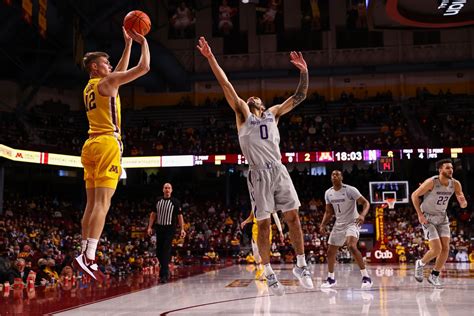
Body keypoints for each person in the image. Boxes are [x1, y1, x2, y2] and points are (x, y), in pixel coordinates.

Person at [197, 36, 313, 296]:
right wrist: (210, 58)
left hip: (279, 170)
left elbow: (300, 95)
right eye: (249, 98)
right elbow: (225, 84)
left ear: (261, 104)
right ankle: (269, 272)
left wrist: (305, 72)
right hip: (259, 174)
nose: (251, 98)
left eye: (256, 98)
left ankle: (302, 265)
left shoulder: (274, 113)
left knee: (293, 217)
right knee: (263, 225)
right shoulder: (242, 114)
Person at [75, 26, 150, 280]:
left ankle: (83, 251)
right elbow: (144, 68)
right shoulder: (107, 82)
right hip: (107, 143)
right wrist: (143, 42)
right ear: (95, 67)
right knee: (102, 204)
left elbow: (116, 73)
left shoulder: (90, 86)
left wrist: (127, 45)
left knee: (91, 204)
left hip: (90, 144)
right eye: (105, 63)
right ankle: (90, 258)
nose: (109, 65)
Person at [412, 159, 467, 287]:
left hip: (442, 217)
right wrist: (419, 215)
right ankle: (420, 263)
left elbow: (461, 198)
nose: (451, 170)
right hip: (428, 217)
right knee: (437, 249)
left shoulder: (455, 184)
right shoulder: (431, 182)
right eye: (447, 168)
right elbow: (414, 195)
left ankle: (434, 275)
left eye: (451, 168)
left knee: (446, 248)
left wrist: (463, 203)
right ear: (440, 169)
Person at [319, 170, 372, 289]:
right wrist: (323, 225)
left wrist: (362, 215)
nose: (334, 176)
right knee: (330, 252)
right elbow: (328, 212)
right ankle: (331, 279)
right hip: (339, 224)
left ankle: (366, 277)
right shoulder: (328, 193)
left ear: (341, 177)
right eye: (332, 174)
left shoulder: (350, 190)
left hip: (353, 222)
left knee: (352, 246)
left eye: (337, 174)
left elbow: (366, 203)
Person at [147, 183, 186, 283]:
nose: (167, 189)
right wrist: (149, 226)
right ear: (163, 189)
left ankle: (164, 274)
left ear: (171, 190)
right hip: (159, 227)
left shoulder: (175, 202)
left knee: (165, 249)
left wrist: (182, 229)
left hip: (170, 228)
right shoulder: (158, 200)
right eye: (165, 188)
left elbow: (180, 217)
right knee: (159, 252)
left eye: (169, 188)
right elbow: (153, 214)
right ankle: (165, 268)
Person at [241, 211, 284, 280]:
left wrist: (280, 231)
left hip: (266, 228)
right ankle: (260, 271)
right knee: (256, 255)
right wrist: (245, 221)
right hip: (256, 228)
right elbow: (251, 217)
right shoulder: (254, 204)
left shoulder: (269, 203)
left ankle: (264, 273)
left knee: (263, 252)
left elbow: (276, 218)